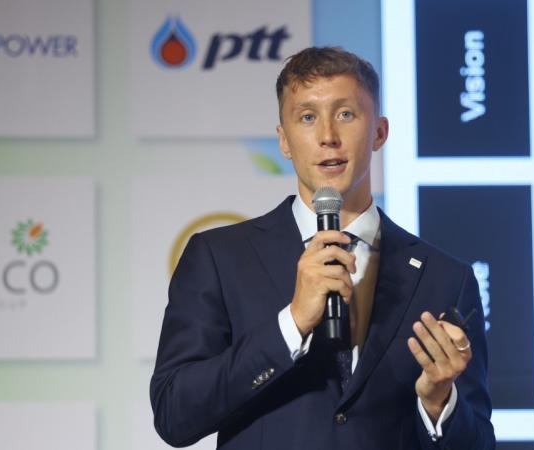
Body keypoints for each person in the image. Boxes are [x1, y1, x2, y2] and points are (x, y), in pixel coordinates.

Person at [150, 46, 495, 449]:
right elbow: (174, 414)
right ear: (284, 140)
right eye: (308, 117)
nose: (328, 137)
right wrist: (292, 323)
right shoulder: (220, 258)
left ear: (379, 132)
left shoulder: (446, 278)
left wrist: (438, 403)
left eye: (346, 114)